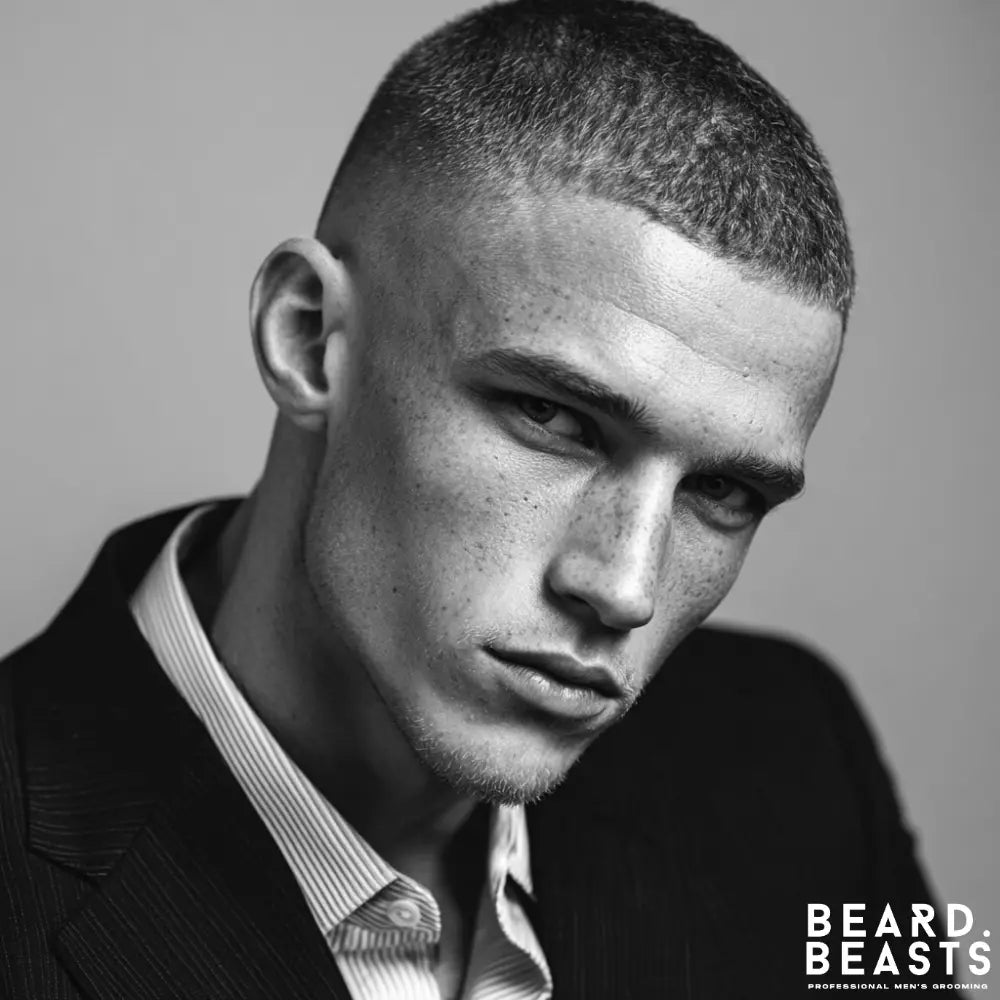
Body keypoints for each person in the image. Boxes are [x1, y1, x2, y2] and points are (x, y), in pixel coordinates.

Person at [0, 1, 950, 997]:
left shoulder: (794, 758)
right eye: (556, 419)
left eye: (722, 489)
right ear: (306, 335)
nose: (623, 586)